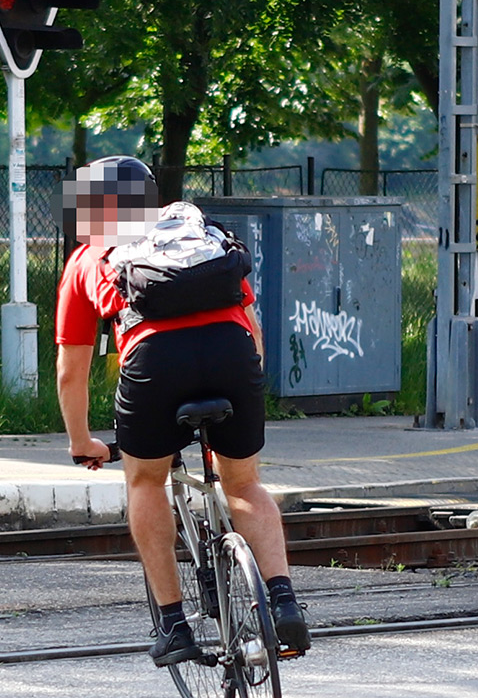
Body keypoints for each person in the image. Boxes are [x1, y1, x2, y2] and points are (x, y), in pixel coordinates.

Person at [53, 156, 310, 665]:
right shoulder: (198, 232)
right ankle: (283, 600)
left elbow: (70, 373)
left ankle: (174, 626)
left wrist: (82, 441)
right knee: (243, 484)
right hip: (232, 353)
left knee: (146, 481)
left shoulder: (89, 259)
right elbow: (251, 328)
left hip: (155, 362)